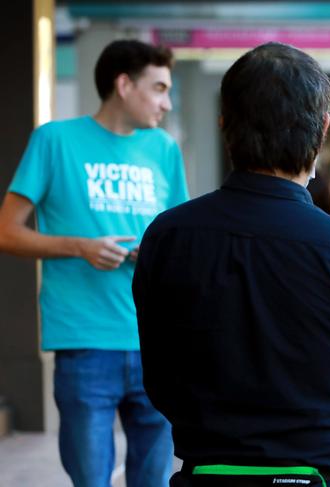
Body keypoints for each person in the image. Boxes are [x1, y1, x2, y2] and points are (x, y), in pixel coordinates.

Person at [132, 42, 330, 487]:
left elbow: (161, 377)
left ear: (226, 126)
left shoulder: (168, 238)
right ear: (321, 130)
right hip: (323, 477)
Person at [0, 39, 188, 486]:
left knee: (155, 480)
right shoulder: (54, 140)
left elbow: (180, 240)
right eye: (158, 88)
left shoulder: (164, 149)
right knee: (90, 480)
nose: (166, 103)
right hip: (84, 343)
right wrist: (80, 246)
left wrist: (155, 252)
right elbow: (7, 231)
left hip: (154, 343)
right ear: (123, 84)